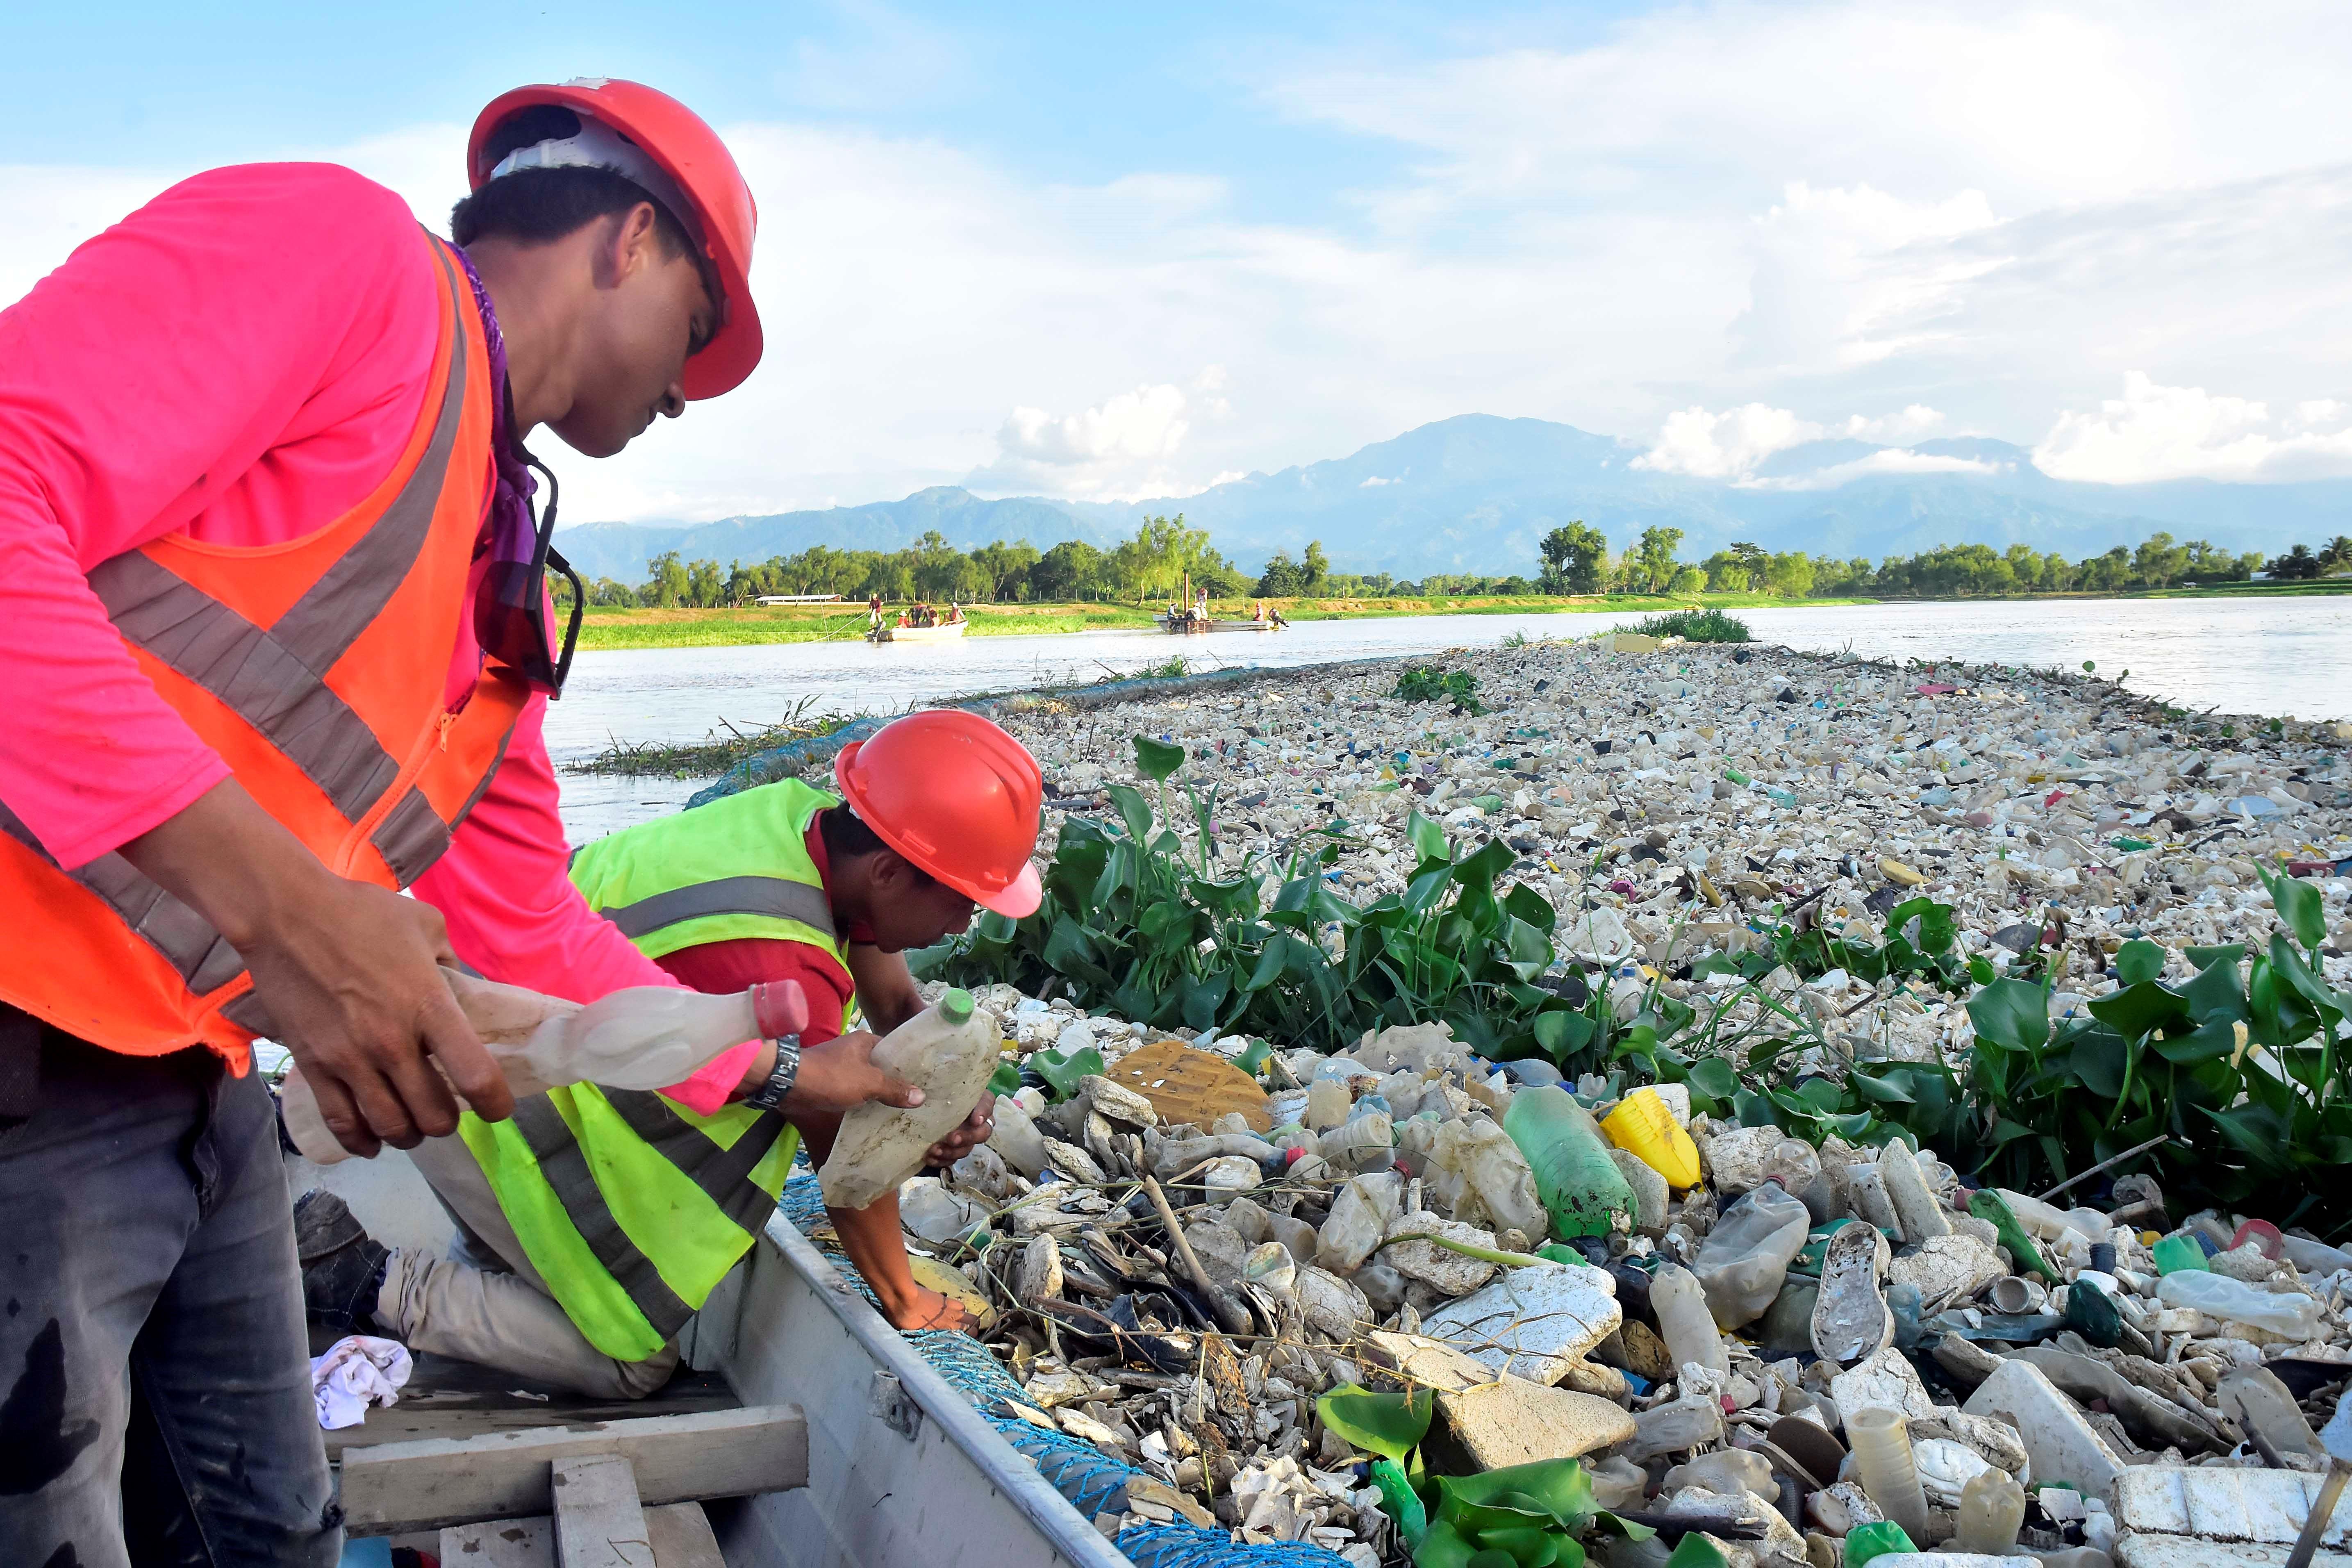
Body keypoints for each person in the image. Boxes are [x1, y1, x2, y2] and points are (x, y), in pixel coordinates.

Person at [0, 79, 943, 1566]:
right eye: (698, 331)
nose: (690, 392)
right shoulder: (345, 260)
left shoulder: (493, 559)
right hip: (24, 1048)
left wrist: (771, 1065)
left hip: (187, 1081)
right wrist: (286, 910)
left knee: (271, 1526)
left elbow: (528, 925)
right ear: (629, 239)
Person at [300, 710, 1041, 1395]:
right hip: (477, 1099)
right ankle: (367, 1279)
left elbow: (894, 1002)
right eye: (961, 900)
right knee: (633, 1362)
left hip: (460, 1025)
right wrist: (904, 1298)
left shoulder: (796, 820)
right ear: (888, 872)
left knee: (519, 1264)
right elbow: (847, 1158)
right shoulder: (785, 961)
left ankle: (487, 1268)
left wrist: (949, 1087)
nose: (963, 922)